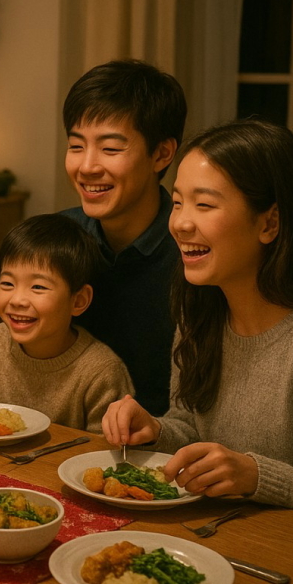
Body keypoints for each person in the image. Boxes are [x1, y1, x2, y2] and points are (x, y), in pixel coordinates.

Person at [102, 120, 293, 521]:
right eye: (177, 202)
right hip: (210, 538)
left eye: (204, 204)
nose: (180, 223)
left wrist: (257, 476)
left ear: (269, 223)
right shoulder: (200, 312)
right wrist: (156, 432)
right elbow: (191, 427)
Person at [60, 59, 187, 416]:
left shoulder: (193, 253)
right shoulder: (58, 240)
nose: (87, 167)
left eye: (110, 149)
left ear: (162, 154)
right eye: (76, 146)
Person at [0, 214, 134, 432]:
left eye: (38, 287)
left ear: (79, 300)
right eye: (7, 283)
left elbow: (106, 453)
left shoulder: (100, 373)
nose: (17, 300)